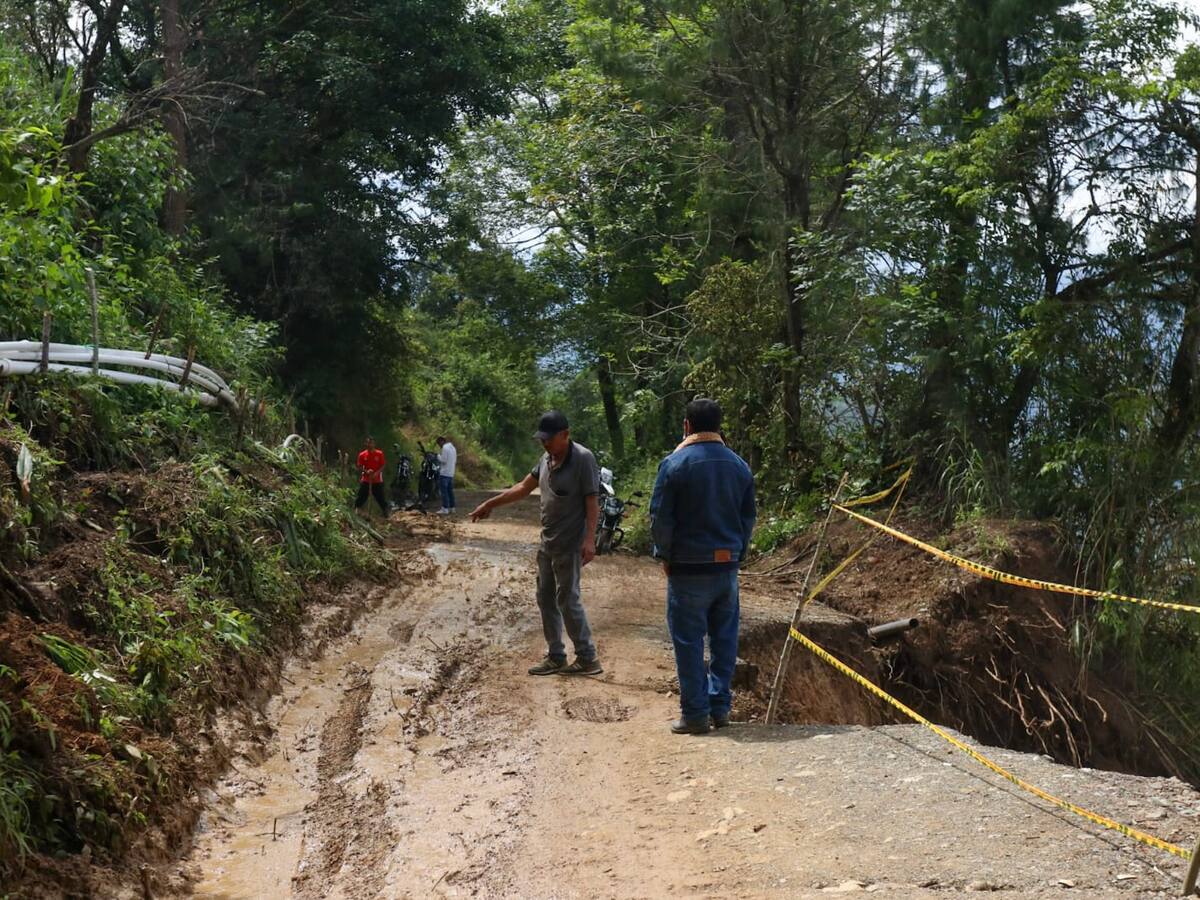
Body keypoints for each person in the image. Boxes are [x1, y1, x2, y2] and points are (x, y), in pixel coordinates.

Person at [650, 398, 756, 735]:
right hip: (727, 570)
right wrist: (739, 553)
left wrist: (664, 555)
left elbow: (661, 518)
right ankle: (720, 709)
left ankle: (695, 715)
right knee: (724, 639)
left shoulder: (674, 465)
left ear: (686, 426)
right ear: (718, 426)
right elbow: (747, 518)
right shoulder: (739, 466)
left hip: (687, 569)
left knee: (689, 642)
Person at [470, 410, 603, 676]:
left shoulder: (583, 459)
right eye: (542, 439)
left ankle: (588, 658)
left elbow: (592, 502)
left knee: (567, 599)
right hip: (548, 543)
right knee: (545, 598)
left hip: (570, 544)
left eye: (549, 439)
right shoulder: (546, 459)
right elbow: (522, 488)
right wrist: (490, 504)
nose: (545, 444)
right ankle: (556, 656)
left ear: (565, 435)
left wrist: (590, 540)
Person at [355, 437, 389, 518]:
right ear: (366, 444)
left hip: (377, 479)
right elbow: (359, 466)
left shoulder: (379, 454)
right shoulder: (362, 455)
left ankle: (385, 511)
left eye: (371, 443)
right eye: (368, 443)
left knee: (380, 496)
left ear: (374, 444)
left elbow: (383, 465)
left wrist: (376, 473)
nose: (370, 445)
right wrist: (367, 471)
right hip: (366, 478)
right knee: (362, 494)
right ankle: (357, 509)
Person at [436, 435, 457, 515]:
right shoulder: (453, 448)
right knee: (450, 491)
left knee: (444, 492)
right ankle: (452, 507)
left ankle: (445, 508)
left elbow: (444, 460)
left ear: (441, 441)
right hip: (451, 472)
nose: (439, 446)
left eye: (439, 444)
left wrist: (437, 456)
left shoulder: (445, 448)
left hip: (444, 473)